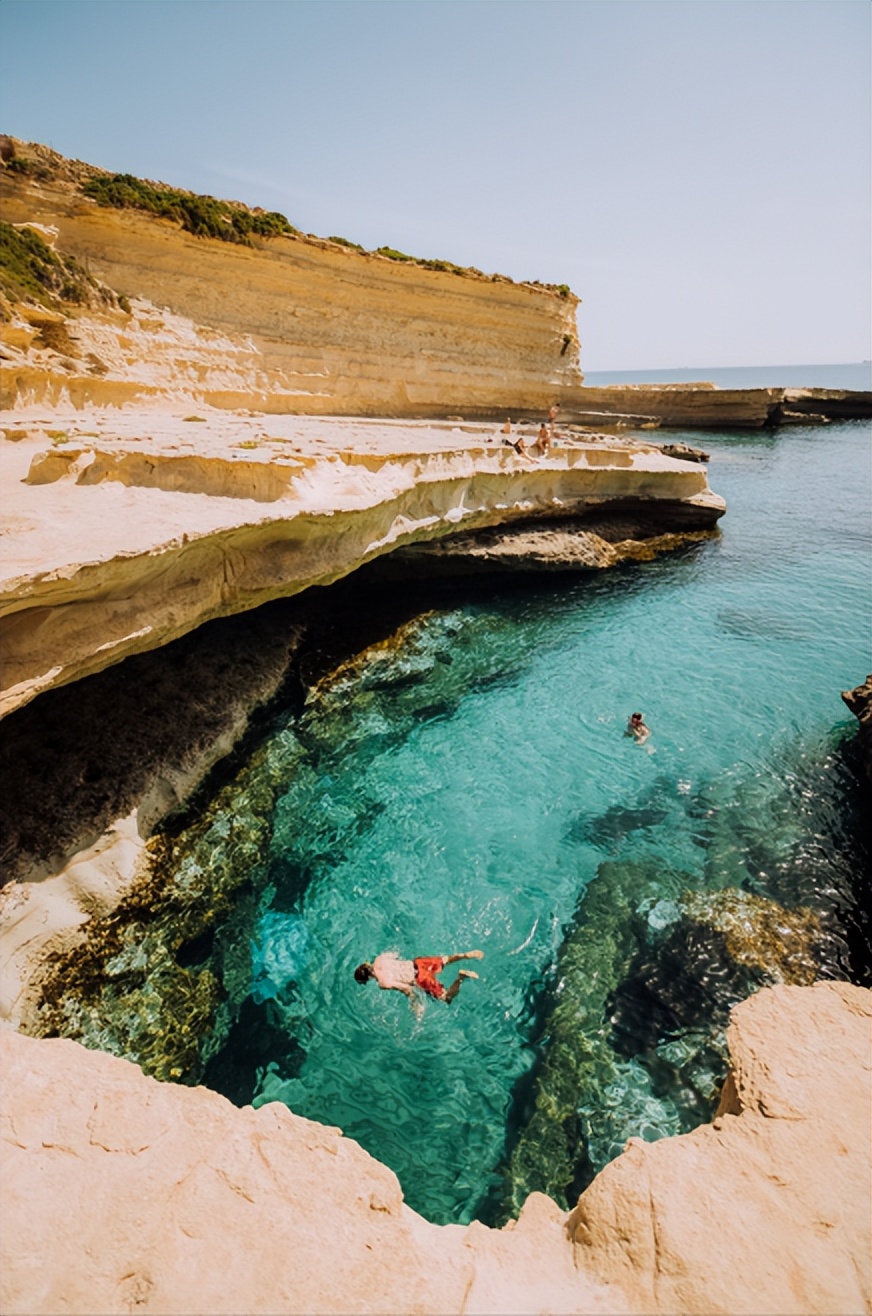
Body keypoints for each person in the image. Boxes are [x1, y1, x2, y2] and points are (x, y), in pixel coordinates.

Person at [354, 949, 483, 1004]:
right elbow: (396, 954)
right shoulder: (380, 959)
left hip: (420, 978)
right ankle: (465, 955)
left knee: (446, 998)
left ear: (368, 978)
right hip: (418, 963)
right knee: (445, 960)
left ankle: (461, 977)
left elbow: (407, 989)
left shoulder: (383, 982)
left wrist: (415, 1004)